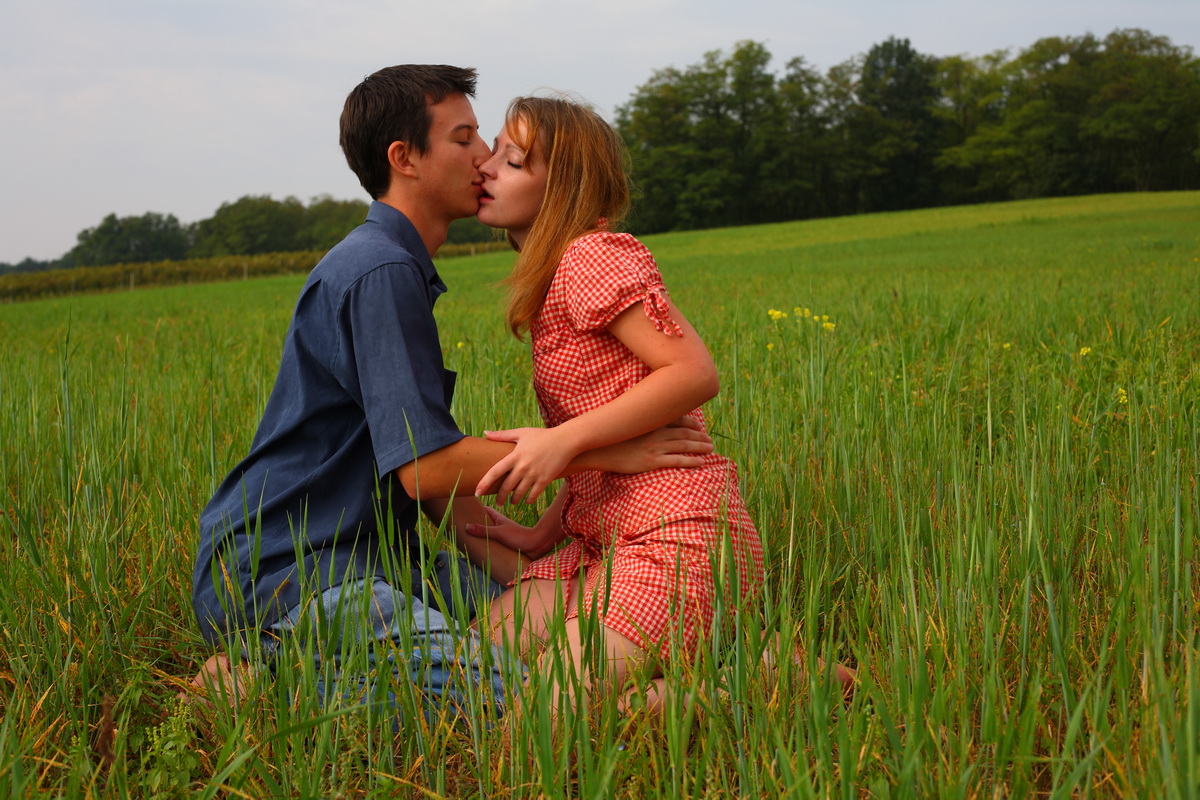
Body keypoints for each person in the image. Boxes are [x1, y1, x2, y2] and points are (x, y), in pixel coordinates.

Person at [185, 67, 715, 717]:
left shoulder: (396, 265)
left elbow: (429, 474)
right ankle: (261, 684)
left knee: (520, 622)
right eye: (466, 140)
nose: (485, 160)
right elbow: (426, 468)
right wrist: (598, 454)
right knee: (516, 703)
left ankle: (698, 665)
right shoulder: (380, 271)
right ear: (405, 159)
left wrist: (531, 556)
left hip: (379, 559)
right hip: (291, 569)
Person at [467, 96, 768, 713]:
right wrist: (538, 533)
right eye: (493, 151)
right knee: (479, 659)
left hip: (678, 541)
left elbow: (692, 372)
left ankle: (770, 681)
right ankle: (728, 657)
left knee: (543, 714)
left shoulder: (591, 256)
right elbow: (607, 443)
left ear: (563, 187)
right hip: (605, 546)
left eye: (513, 159)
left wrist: (562, 441)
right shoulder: (555, 278)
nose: (487, 168)